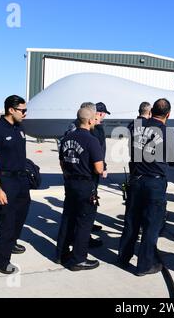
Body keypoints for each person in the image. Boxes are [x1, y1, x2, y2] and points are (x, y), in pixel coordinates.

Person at [118, 98, 174, 276]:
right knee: (152, 225)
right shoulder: (167, 133)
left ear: (151, 113)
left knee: (131, 221)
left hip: (136, 180)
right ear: (168, 114)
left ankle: (123, 257)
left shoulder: (136, 129)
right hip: (154, 182)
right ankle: (144, 265)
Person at [0, 95, 30, 274]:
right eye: (23, 110)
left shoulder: (19, 127)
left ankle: (11, 243)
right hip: (5, 181)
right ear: (11, 110)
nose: (25, 114)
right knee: (6, 221)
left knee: (21, 215)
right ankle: (1, 262)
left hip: (21, 180)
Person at [56, 107, 104, 271]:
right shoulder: (92, 140)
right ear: (90, 121)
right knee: (84, 223)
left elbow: (62, 162)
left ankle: (61, 253)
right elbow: (98, 168)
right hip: (85, 184)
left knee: (67, 218)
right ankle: (78, 259)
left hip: (69, 183)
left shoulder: (66, 138)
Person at [64, 102, 108, 247]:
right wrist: (102, 168)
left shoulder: (72, 131)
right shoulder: (94, 133)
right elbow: (97, 155)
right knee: (85, 213)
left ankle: (63, 249)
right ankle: (80, 249)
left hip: (72, 177)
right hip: (87, 176)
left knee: (72, 214)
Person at [127, 102, 152, 174]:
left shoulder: (132, 124)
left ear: (139, 111)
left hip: (134, 159)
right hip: (146, 163)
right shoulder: (150, 125)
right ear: (150, 112)